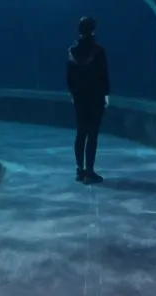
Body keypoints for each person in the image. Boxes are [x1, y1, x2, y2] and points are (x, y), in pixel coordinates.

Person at [66, 15, 109, 184]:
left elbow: (69, 76)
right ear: (93, 30)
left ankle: (79, 169)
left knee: (80, 132)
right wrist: (106, 94)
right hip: (96, 96)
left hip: (79, 96)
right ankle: (90, 170)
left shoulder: (72, 51)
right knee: (93, 134)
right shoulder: (99, 51)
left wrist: (73, 92)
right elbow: (103, 75)